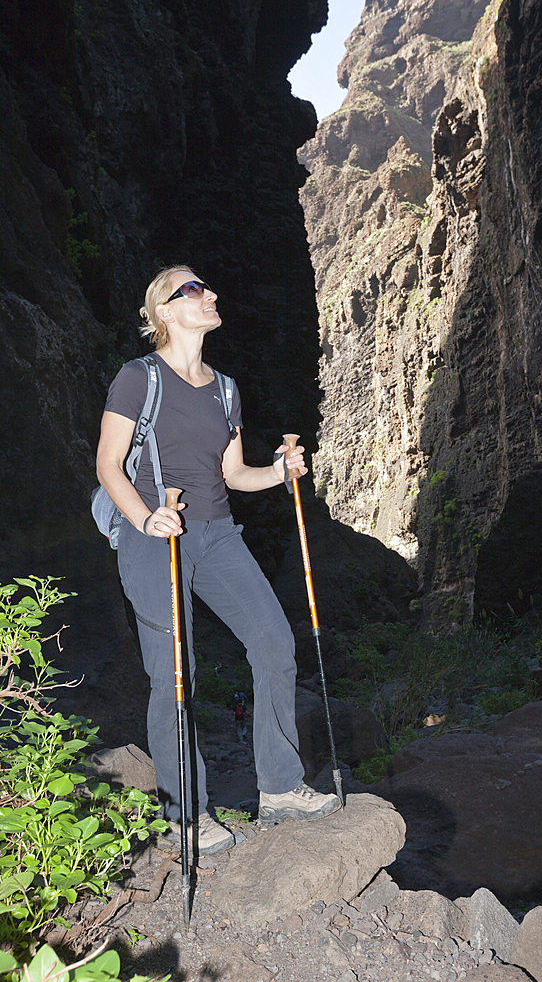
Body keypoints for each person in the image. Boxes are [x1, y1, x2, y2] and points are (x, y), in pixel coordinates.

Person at [96, 265, 341, 855]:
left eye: (207, 287)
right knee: (175, 674)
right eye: (193, 290)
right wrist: (145, 517)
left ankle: (281, 789)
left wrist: (279, 473)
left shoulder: (226, 389)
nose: (209, 295)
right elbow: (108, 464)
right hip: (156, 536)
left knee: (275, 643)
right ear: (164, 311)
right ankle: (186, 815)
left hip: (218, 534)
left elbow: (232, 474)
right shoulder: (139, 379)